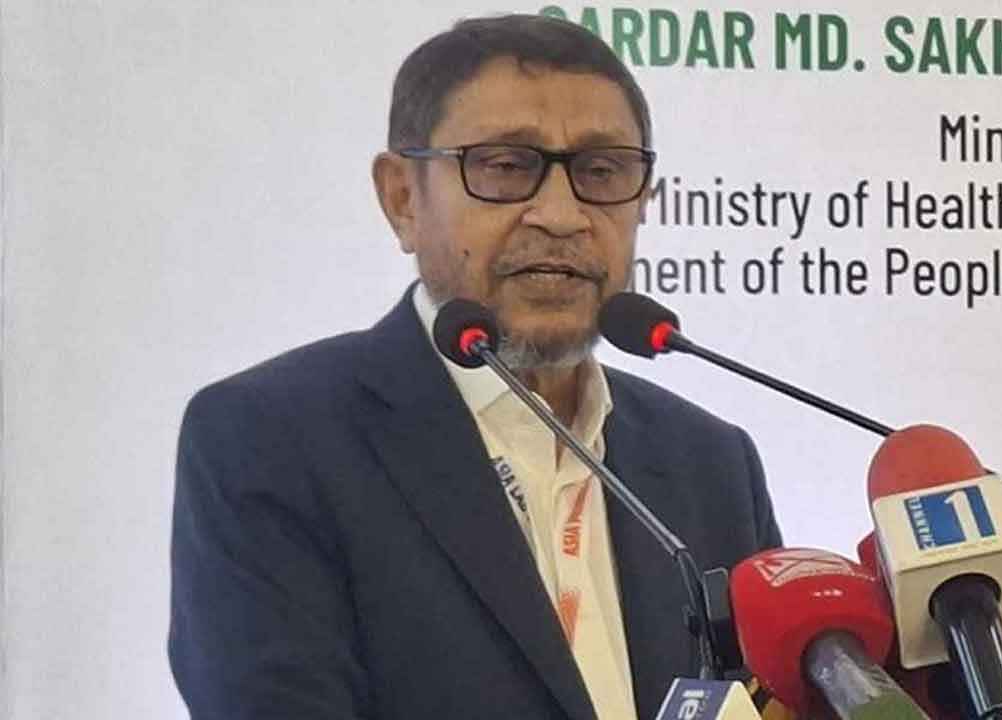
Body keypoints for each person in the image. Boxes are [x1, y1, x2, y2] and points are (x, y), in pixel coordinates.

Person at [169, 13, 782, 720]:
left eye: (602, 170)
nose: (562, 214)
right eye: (505, 167)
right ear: (403, 198)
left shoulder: (710, 463)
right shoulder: (271, 440)